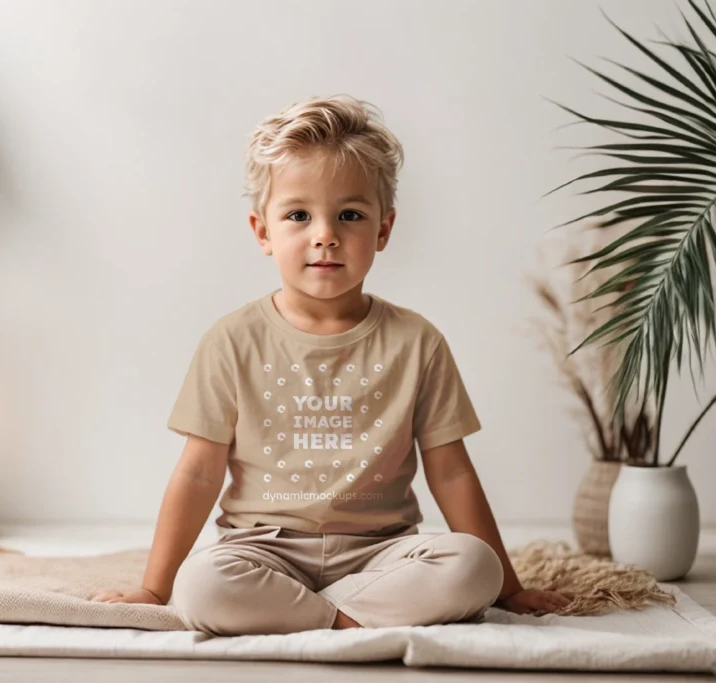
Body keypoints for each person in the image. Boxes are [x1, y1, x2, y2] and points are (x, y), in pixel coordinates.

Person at [90, 94, 571, 635]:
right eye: (298, 215)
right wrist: (155, 588)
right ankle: (354, 619)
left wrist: (508, 587)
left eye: (350, 215)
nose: (325, 234)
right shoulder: (231, 341)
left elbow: (452, 470)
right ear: (263, 232)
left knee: (471, 567)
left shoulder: (417, 342)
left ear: (383, 230)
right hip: (264, 553)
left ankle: (306, 616)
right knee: (201, 585)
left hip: (380, 554)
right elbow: (199, 472)